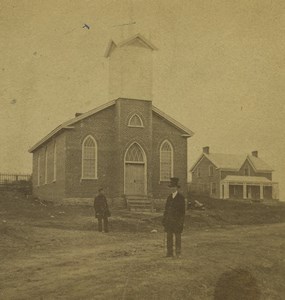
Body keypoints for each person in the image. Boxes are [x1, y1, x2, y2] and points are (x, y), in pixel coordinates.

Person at [162, 177, 186, 257]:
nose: (172, 189)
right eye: (171, 187)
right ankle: (169, 253)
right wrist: (164, 219)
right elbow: (166, 209)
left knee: (177, 237)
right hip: (169, 221)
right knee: (169, 237)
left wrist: (181, 222)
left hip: (177, 221)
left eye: (173, 187)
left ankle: (178, 253)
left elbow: (182, 212)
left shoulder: (181, 198)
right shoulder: (169, 197)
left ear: (176, 188)